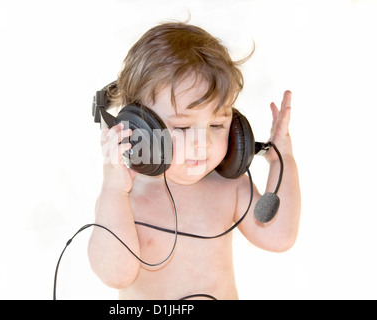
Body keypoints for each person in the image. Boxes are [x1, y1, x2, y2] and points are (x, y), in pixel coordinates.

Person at [87, 22, 301, 300]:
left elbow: (279, 236)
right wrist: (114, 190)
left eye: (216, 125)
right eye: (183, 128)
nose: (204, 144)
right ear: (141, 129)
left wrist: (283, 160)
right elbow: (115, 274)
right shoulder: (125, 199)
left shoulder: (229, 187)